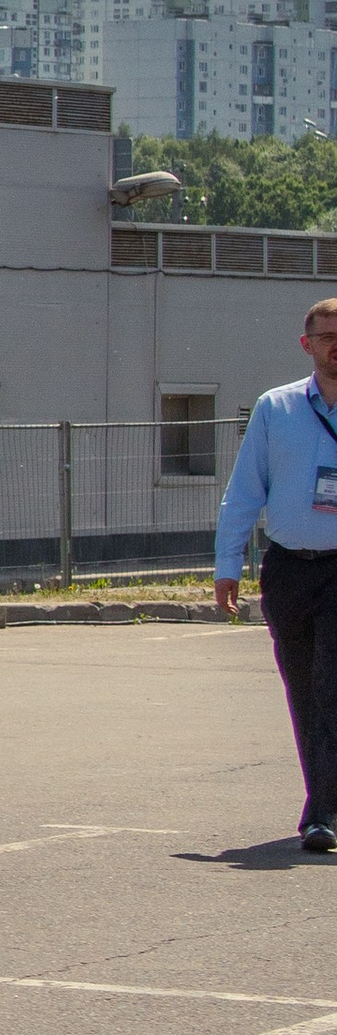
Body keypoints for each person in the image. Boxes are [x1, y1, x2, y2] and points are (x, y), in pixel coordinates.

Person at [212, 301, 337, 854]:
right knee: (304, 689)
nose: (336, 345)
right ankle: (324, 803)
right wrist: (227, 565)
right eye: (327, 336)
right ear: (307, 344)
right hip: (288, 569)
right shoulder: (276, 407)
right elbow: (244, 491)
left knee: (332, 685)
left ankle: (321, 813)